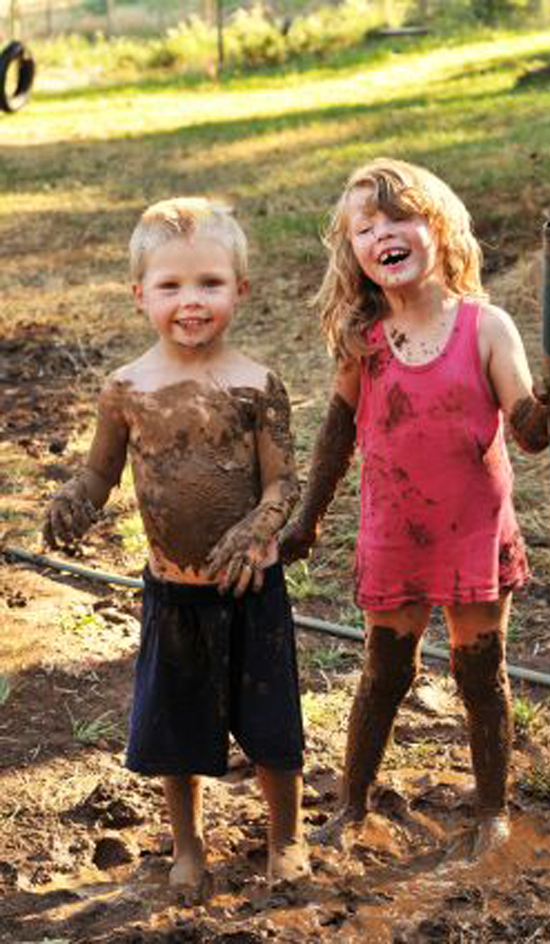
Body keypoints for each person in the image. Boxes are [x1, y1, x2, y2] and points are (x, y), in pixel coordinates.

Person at [280, 158, 550, 855]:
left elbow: (526, 433)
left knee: (481, 672)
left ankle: (492, 814)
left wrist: (549, 411)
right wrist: (308, 519)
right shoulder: (365, 338)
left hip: (472, 531)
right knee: (386, 669)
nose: (384, 233)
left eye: (400, 217)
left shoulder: (485, 326)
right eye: (366, 227)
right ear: (353, 252)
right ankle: (351, 805)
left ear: (437, 228)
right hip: (396, 533)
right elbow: (336, 430)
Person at [43, 197, 310, 889]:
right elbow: (100, 472)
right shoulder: (126, 389)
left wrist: (257, 528)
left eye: (210, 284)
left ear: (240, 290)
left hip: (251, 586)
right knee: (176, 730)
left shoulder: (258, 386)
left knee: (273, 723)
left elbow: (285, 484)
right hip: (173, 591)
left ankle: (287, 838)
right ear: (140, 296)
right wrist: (76, 499)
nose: (191, 302)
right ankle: (188, 846)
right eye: (170, 286)